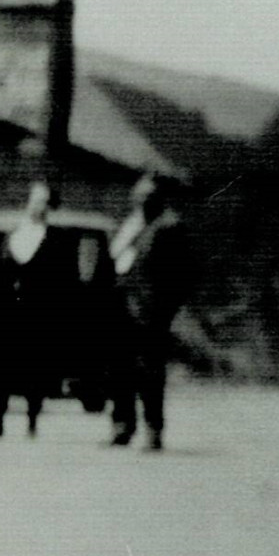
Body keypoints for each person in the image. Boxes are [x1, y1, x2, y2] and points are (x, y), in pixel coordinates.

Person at [0, 181, 77, 438]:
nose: (38, 206)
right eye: (35, 200)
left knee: (34, 368)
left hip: (37, 313)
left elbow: (65, 280)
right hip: (5, 313)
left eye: (44, 201)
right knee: (0, 367)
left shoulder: (56, 239)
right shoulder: (12, 234)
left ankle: (32, 420)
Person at [106, 173, 190, 451]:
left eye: (147, 196)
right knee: (119, 369)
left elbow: (182, 275)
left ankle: (153, 429)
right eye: (138, 195)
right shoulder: (130, 223)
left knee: (150, 372)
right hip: (121, 307)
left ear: (158, 198)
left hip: (149, 312)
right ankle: (122, 427)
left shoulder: (169, 226)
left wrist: (164, 310)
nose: (141, 200)